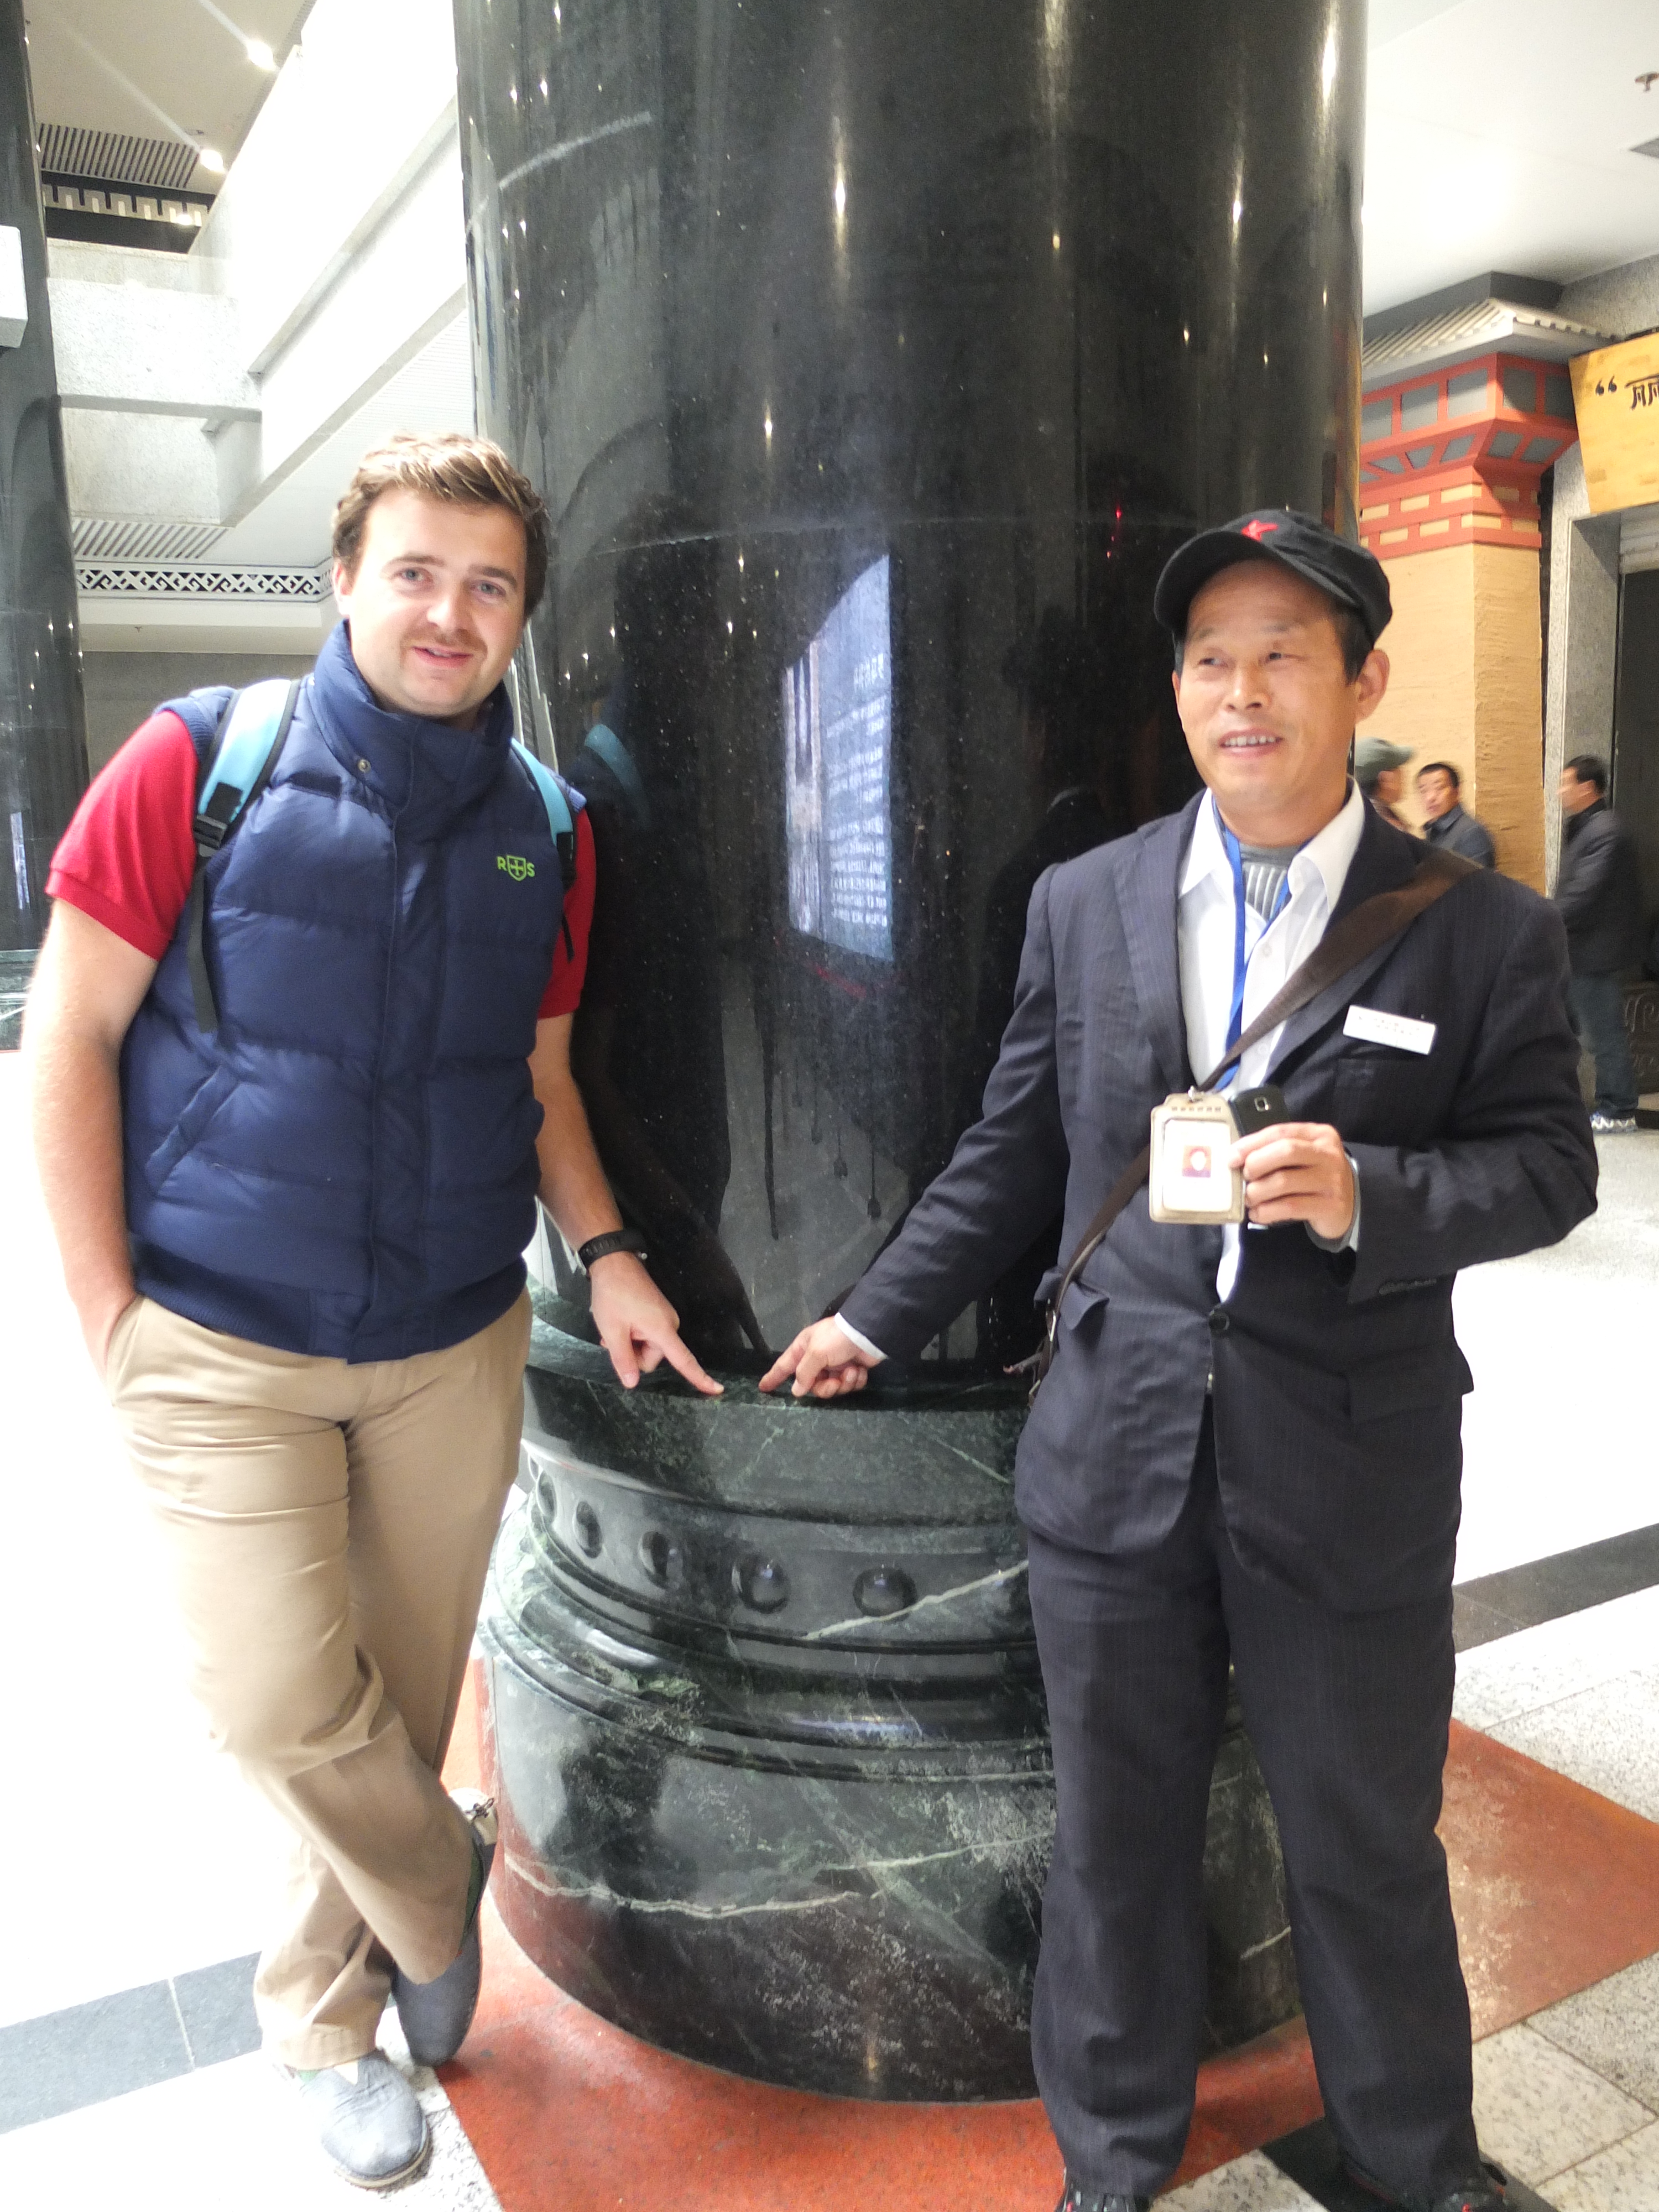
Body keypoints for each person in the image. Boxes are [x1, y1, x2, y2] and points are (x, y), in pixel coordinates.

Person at [760, 510, 1595, 2212]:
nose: (1243, 689)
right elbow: (1010, 1148)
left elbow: (1549, 1167)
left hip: (1347, 1461)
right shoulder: (1089, 900)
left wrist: (1372, 1193)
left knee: (1361, 1842)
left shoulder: (1480, 927)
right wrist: (872, 1314)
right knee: (1115, 1841)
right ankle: (1112, 2157)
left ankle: (1417, 2164)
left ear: (1363, 680)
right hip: (1114, 1450)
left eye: (1284, 652)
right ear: (1177, 690)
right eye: (1211, 658)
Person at [25, 432, 718, 2190]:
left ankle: (326, 2031)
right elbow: (71, 1036)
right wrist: (108, 1318)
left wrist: (607, 1250)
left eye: (490, 586)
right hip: (214, 1338)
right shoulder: (200, 763)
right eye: (415, 572)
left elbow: (542, 1081)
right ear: (343, 578)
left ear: (522, 618)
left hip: (446, 1343)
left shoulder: (546, 827)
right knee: (277, 1702)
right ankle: (437, 1881)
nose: (449, 613)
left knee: (393, 1715)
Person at [1555, 752, 1644, 1135]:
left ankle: (1619, 1108)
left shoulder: (1607, 831)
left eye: (1566, 783)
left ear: (1587, 788)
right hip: (1577, 953)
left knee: (1603, 1035)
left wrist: (1544, 918)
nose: (1560, 791)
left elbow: (1584, 894)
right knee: (1572, 1030)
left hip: (1595, 955)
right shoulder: (1585, 827)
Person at [1417, 760, 1496, 868]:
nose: (1430, 797)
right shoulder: (1433, 830)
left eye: (1439, 788)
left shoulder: (1471, 833)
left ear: (1457, 791)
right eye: (1424, 791)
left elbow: (1476, 878)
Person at [1354, 734, 1415, 830]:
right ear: (1385, 779)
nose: (1403, 773)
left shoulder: (1357, 816)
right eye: (1398, 767)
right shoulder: (1388, 828)